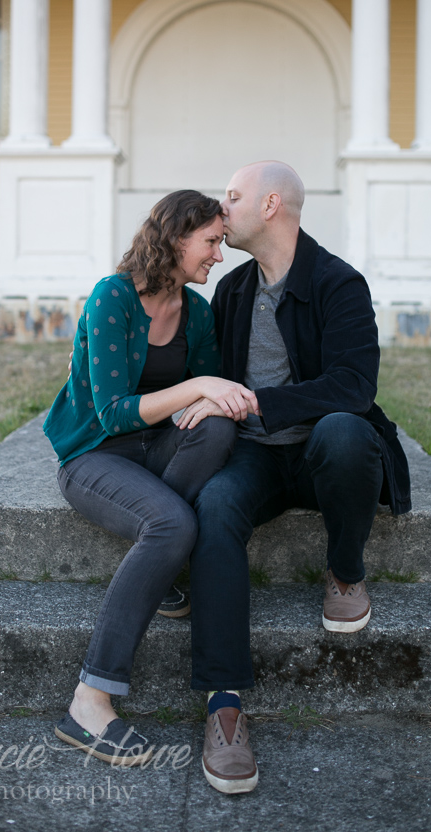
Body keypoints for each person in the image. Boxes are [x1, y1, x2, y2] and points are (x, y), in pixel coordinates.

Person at [174, 161, 411, 795]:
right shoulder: (233, 292)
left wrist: (259, 403)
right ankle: (224, 705)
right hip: (254, 458)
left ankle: (344, 571)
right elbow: (195, 364)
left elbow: (354, 386)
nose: (222, 211)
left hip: (322, 455)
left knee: (344, 430)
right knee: (216, 507)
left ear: (272, 204)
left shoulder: (339, 284)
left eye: (232, 197)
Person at [43, 190, 258, 766]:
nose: (218, 254)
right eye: (211, 242)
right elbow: (113, 410)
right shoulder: (112, 298)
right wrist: (200, 388)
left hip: (155, 448)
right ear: (175, 236)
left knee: (215, 430)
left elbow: (209, 399)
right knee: (171, 524)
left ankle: (159, 568)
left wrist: (212, 397)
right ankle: (89, 702)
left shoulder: (198, 311)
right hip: (95, 454)